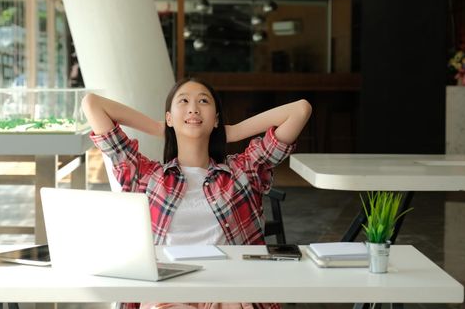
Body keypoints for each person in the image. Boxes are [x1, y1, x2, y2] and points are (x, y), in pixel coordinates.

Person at [82, 78, 312, 309]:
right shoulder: (144, 175)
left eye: (203, 101)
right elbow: (92, 104)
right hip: (167, 292)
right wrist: (158, 126)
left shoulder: (243, 172)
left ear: (216, 119)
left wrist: (231, 132)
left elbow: (300, 110)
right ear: (169, 117)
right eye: (183, 101)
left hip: (228, 290)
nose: (193, 108)